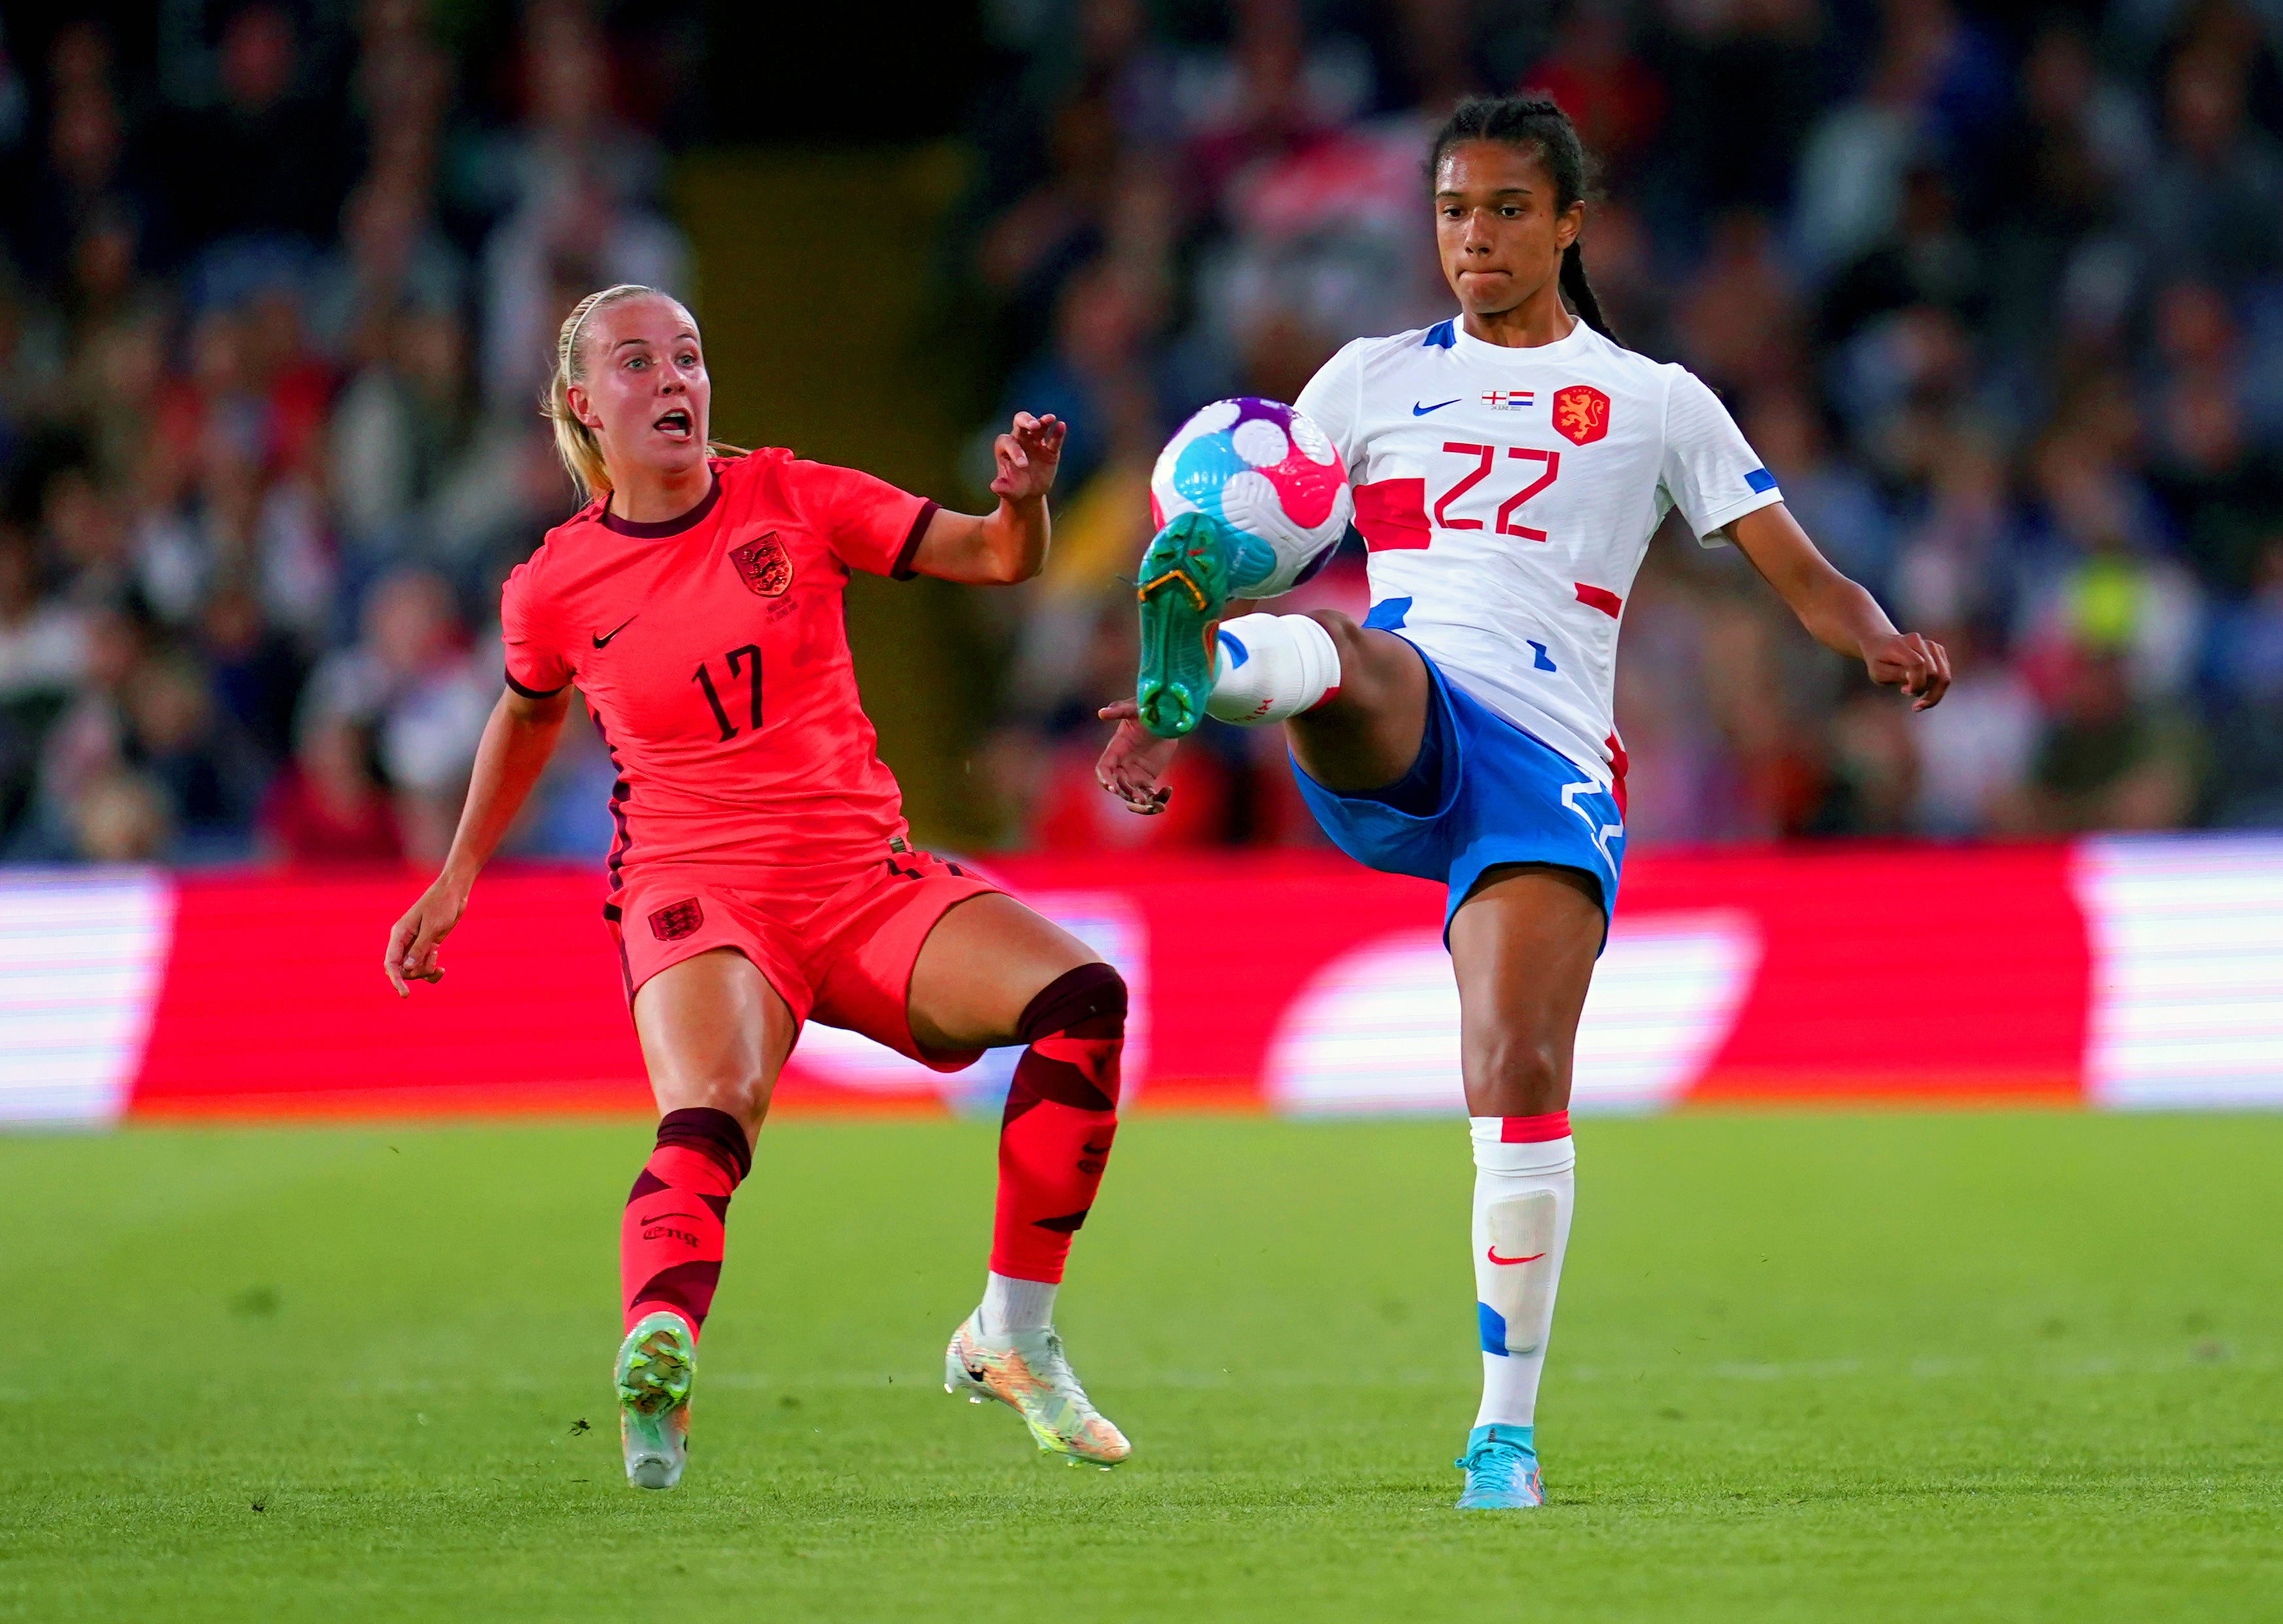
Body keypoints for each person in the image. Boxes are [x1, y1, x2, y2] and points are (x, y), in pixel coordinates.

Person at [1095, 97, 1950, 1510]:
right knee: (1355, 651)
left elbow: (1794, 564)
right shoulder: (1364, 382)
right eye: (1450, 211)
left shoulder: (1654, 398)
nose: (1472, 237)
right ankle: (1201, 677)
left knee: (1517, 1068)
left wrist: (1873, 637)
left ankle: (1504, 1431)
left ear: (1568, 223)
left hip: (1546, 763)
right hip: (1408, 708)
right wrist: (1202, 642)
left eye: (1502, 209)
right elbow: (1277, 534)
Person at [383, 284, 1131, 1489]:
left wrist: (1025, 503)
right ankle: (657, 1348)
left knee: (1083, 997)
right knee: (716, 1106)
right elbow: (526, 718)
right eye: (639, 363)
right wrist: (459, 870)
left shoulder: (796, 495)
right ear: (584, 404)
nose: (675, 381)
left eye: (689, 356)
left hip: (862, 884)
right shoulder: (553, 585)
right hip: (697, 890)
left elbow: (997, 559)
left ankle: (1014, 1337)